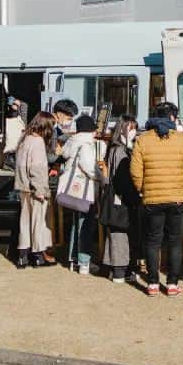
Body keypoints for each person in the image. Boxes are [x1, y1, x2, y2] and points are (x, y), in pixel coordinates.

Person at [131, 103, 183, 296]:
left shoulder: (142, 140)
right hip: (176, 197)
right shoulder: (182, 139)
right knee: (175, 241)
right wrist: (182, 184)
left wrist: (143, 189)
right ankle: (172, 283)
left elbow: (136, 171)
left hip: (152, 199)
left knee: (153, 240)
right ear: (172, 118)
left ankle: (152, 282)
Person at [14, 112, 57, 269]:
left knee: (24, 222)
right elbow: (37, 168)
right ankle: (38, 255)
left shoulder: (25, 138)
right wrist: (40, 189)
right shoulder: (38, 142)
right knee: (38, 222)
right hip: (35, 188)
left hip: (23, 186)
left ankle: (22, 256)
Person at [102, 114, 140, 283]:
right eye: (132, 128)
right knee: (120, 233)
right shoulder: (120, 150)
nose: (134, 132)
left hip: (114, 196)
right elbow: (122, 179)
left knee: (116, 233)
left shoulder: (115, 148)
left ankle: (114, 269)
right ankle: (119, 271)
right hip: (121, 197)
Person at [61, 114, 101, 274]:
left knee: (76, 223)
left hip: (72, 189)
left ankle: (73, 259)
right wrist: (102, 178)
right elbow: (88, 166)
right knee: (86, 224)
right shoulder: (86, 144)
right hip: (84, 189)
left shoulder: (72, 141)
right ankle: (84, 262)